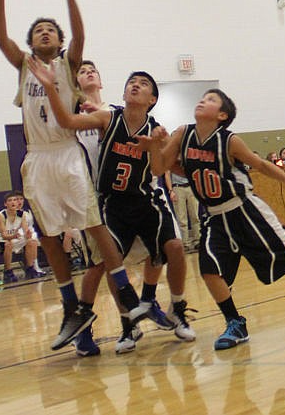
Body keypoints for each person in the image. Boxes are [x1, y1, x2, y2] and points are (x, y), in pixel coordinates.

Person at [137, 88, 285, 350]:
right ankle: (235, 323)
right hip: (215, 217)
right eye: (203, 97)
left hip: (244, 209)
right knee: (209, 270)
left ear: (222, 115)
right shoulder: (183, 134)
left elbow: (261, 165)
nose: (202, 101)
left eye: (211, 99)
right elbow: (159, 168)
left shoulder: (230, 141)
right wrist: (153, 146)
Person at [0, 0, 147, 351]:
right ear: (32, 43)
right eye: (38, 31)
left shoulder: (68, 64)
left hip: (66, 152)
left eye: (50, 30)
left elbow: (79, 33)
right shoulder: (24, 65)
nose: (45, 33)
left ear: (58, 42)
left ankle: (127, 294)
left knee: (93, 225)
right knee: (48, 235)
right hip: (36, 157)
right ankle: (71, 307)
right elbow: (2, 39)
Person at [28, 58, 196, 353]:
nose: (135, 85)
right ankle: (122, 323)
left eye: (143, 83)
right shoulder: (105, 116)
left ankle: (166, 305)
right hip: (105, 200)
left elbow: (161, 168)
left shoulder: (155, 129)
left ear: (152, 99)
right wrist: (49, 88)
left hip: (144, 197)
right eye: (132, 82)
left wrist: (157, 147)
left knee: (170, 248)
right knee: (105, 262)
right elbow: (67, 121)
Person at [73, 60, 173, 356]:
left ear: (102, 81)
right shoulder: (74, 116)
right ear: (75, 83)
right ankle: (87, 328)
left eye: (93, 70)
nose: (89, 73)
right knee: (100, 265)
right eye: (82, 71)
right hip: (93, 195)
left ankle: (145, 305)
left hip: (130, 195)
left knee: (158, 247)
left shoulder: (118, 111)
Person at [0, 191, 39, 282]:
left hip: (13, 237)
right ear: (5, 204)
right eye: (10, 200)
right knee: (8, 244)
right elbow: (4, 235)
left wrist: (28, 234)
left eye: (15, 200)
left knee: (32, 241)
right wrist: (14, 236)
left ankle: (30, 268)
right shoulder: (1, 215)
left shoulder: (21, 214)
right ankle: (8, 271)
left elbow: (25, 230)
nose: (13, 202)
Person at [165, 170, 200, 252]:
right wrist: (171, 191)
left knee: (195, 216)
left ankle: (197, 241)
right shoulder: (172, 161)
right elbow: (167, 174)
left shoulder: (188, 161)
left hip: (191, 187)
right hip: (177, 188)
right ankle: (185, 243)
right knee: (181, 219)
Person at [14, 190, 46, 277]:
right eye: (17, 199)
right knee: (31, 241)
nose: (19, 201)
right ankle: (32, 267)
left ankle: (35, 267)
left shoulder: (28, 211)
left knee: (35, 239)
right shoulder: (11, 213)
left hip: (30, 232)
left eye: (21, 199)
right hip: (18, 235)